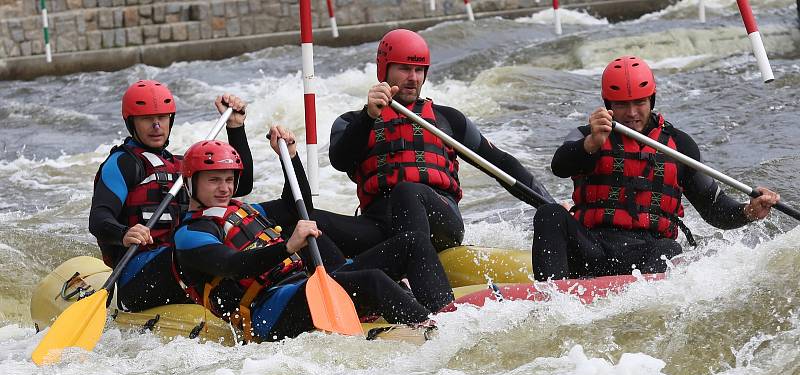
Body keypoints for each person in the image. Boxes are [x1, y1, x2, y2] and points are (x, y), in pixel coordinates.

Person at [174, 128, 453, 342]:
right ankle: (431, 334)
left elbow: (297, 207)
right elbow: (233, 266)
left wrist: (291, 157)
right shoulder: (191, 234)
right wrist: (286, 247)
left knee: (412, 243)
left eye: (228, 179)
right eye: (213, 180)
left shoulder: (246, 209)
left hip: (308, 286)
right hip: (268, 312)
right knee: (372, 280)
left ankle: (446, 315)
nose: (224, 188)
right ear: (190, 183)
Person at [531, 56, 780, 281]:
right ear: (608, 103)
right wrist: (591, 144)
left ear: (652, 98)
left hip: (646, 253)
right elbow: (560, 166)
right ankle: (551, 297)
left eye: (639, 103)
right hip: (592, 248)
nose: (631, 113)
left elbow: (714, 209)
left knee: (670, 249)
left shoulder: (679, 145)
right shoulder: (588, 135)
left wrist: (748, 210)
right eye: (621, 105)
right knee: (549, 213)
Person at [318, 28, 555, 257]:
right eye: (404, 69)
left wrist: (551, 207)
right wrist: (368, 117)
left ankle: (413, 273)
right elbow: (340, 160)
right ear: (384, 70)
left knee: (408, 192)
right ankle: (333, 278)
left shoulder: (448, 120)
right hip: (379, 226)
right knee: (300, 216)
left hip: (439, 220)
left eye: (419, 70)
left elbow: (501, 164)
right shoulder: (352, 122)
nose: (413, 78)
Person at [89, 79, 253, 311]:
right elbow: (99, 219)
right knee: (193, 253)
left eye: (162, 118)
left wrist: (235, 128)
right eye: (147, 119)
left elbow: (242, 186)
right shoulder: (122, 163)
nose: (157, 126)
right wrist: (125, 233)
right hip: (137, 277)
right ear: (131, 123)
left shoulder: (181, 165)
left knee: (245, 233)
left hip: (183, 262)